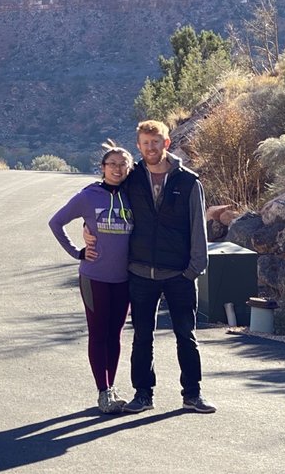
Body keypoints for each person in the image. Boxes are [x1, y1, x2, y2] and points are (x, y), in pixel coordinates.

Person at [89, 120, 216, 414]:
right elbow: (102, 196)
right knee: (142, 337)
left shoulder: (188, 182)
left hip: (179, 273)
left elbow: (198, 227)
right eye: (145, 143)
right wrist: (88, 228)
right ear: (139, 146)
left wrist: (194, 268)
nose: (151, 148)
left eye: (156, 142)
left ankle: (193, 395)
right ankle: (143, 395)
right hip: (140, 273)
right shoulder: (131, 178)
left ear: (166, 143)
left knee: (186, 336)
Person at [48, 142, 135, 414]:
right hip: (94, 277)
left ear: (130, 168)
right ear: (103, 167)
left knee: (115, 334)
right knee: (98, 333)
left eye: (123, 165)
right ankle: (103, 391)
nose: (117, 169)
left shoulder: (134, 196)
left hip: (124, 278)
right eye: (112, 164)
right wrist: (77, 251)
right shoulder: (89, 196)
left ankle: (112, 387)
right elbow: (56, 222)